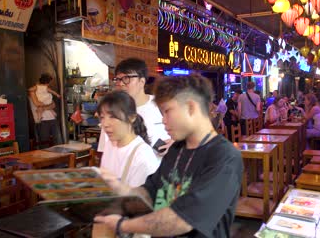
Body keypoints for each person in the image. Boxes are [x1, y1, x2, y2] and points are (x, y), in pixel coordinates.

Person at [94, 74, 243, 237]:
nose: (163, 120)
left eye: (167, 111)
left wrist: (123, 225)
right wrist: (119, 188)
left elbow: (181, 221)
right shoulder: (176, 149)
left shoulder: (224, 157)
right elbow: (150, 192)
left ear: (191, 107)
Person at [97, 58, 170, 158]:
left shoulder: (162, 105)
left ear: (142, 81)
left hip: (160, 170)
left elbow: (187, 135)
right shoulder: (111, 111)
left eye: (126, 78)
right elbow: (105, 152)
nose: (121, 83)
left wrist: (174, 144)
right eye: (118, 79)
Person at [97, 91, 160, 187]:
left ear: (131, 118)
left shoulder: (143, 157)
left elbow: (139, 198)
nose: (105, 124)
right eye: (102, 117)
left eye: (113, 117)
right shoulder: (110, 144)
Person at [28, 73, 63, 144]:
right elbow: (37, 104)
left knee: (58, 141)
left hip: (52, 118)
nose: (49, 84)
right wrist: (46, 106)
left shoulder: (46, 90)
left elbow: (53, 105)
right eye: (49, 82)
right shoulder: (33, 91)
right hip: (42, 120)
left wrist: (44, 108)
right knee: (44, 142)